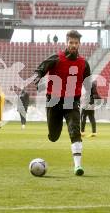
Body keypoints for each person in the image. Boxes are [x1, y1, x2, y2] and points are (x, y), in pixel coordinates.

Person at [34, 30, 91, 176]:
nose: (73, 45)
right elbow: (41, 68)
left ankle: (78, 166)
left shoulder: (84, 63)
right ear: (66, 43)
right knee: (54, 136)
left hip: (72, 102)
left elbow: (88, 81)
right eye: (71, 42)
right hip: (53, 101)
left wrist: (91, 93)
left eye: (76, 43)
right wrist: (37, 77)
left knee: (74, 130)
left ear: (79, 44)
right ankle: (54, 133)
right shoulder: (56, 58)